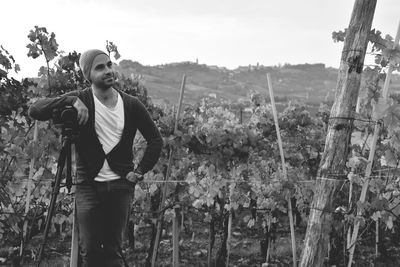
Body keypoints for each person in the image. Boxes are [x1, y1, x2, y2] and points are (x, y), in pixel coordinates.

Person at [28, 49, 163, 267]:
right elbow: (35, 110)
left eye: (109, 65)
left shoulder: (131, 104)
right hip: (88, 187)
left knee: (113, 252)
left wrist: (139, 172)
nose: (108, 70)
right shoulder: (81, 99)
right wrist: (71, 100)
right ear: (87, 75)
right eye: (100, 67)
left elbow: (156, 140)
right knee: (89, 251)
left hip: (121, 186)